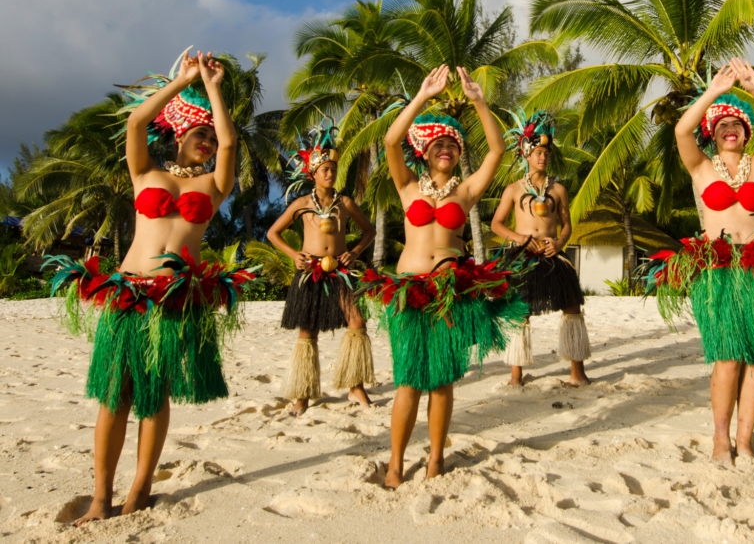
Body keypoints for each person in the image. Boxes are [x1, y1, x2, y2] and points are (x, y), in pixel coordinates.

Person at [48, 51, 251, 523]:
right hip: (130, 294)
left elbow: (229, 143)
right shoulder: (146, 173)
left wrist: (213, 87)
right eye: (197, 134)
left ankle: (139, 488)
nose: (206, 142)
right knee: (115, 394)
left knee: (154, 396)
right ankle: (101, 495)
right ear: (179, 134)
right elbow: (137, 122)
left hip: (176, 301)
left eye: (208, 134)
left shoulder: (213, 186)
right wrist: (182, 81)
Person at [648, 57, 754, 465]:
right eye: (722, 125)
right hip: (719, 272)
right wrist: (714, 93)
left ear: (745, 134)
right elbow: (680, 129)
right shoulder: (702, 169)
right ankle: (721, 439)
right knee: (728, 358)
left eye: (737, 125)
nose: (730, 129)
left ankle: (745, 440)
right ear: (713, 134)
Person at [369, 65, 527, 488]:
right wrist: (420, 97)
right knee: (408, 381)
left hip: (450, 292)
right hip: (408, 289)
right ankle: (397, 463)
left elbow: (496, 151)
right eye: (439, 142)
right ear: (424, 149)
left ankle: (437, 458)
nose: (447, 149)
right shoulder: (407, 187)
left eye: (453, 145)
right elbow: (389, 141)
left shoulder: (466, 190)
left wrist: (478, 100)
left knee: (441, 380)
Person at [268, 122, 377, 415]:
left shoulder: (345, 203)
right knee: (308, 332)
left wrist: (354, 252)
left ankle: (355, 387)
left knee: (357, 323)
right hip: (311, 272)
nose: (330, 174)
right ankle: (303, 393)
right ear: (313, 173)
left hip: (341, 271)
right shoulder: (302, 204)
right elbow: (272, 233)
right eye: (324, 169)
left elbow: (370, 232)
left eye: (333, 169)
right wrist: (293, 254)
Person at [491, 109, 590, 386]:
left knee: (572, 307)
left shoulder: (558, 190)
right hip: (522, 255)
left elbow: (567, 225)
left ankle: (577, 373)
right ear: (526, 154)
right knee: (519, 311)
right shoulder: (513, 188)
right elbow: (496, 224)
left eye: (546, 153)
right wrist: (519, 238)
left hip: (551, 253)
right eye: (537, 152)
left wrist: (559, 243)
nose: (543, 157)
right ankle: (516, 376)